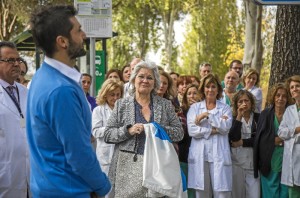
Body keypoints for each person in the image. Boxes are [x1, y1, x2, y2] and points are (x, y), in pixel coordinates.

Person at [27, 5, 111, 197]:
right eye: (78, 30)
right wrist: (104, 187)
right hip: (68, 190)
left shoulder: (43, 77)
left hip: (51, 187)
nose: (84, 34)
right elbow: (79, 153)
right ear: (62, 41)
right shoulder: (60, 90)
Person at [104, 60, 184, 197]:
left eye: (149, 78)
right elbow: (108, 135)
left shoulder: (165, 105)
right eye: (141, 76)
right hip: (128, 169)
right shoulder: (121, 105)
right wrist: (127, 131)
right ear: (134, 79)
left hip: (158, 167)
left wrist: (157, 129)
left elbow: (179, 133)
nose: (145, 81)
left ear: (155, 83)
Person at [187, 73, 232, 198]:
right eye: (207, 87)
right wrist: (213, 130)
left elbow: (226, 127)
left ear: (218, 89)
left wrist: (207, 115)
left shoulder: (225, 108)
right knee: (201, 194)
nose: (210, 90)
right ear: (203, 89)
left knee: (222, 194)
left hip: (219, 156)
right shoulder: (195, 108)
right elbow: (192, 130)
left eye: (213, 87)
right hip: (200, 156)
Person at [0, 41, 29, 197]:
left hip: (28, 174)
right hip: (4, 175)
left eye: (18, 60)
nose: (16, 64)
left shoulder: (25, 92)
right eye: (10, 60)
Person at [254, 83, 292, 198]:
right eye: (278, 95)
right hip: (269, 160)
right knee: (270, 192)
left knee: (286, 192)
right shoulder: (266, 114)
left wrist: (279, 139)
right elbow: (260, 138)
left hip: (288, 160)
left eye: (284, 96)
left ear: (288, 98)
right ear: (273, 97)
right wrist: (278, 140)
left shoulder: (292, 114)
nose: (280, 98)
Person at [92, 79, 123, 195]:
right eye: (112, 95)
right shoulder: (98, 110)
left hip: (121, 155)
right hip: (106, 157)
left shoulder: (123, 110)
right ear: (105, 94)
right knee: (108, 192)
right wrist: (112, 129)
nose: (115, 98)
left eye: (118, 95)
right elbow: (95, 131)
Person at [229, 90, 260, 198]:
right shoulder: (232, 118)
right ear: (236, 104)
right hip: (236, 164)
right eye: (240, 101)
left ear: (251, 102)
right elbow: (233, 138)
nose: (244, 103)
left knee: (254, 195)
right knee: (237, 195)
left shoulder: (258, 118)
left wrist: (242, 142)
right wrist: (239, 117)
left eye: (246, 100)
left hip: (253, 164)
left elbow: (259, 139)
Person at [278, 75, 300, 197]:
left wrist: (290, 135)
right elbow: (281, 132)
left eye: (297, 86)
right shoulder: (289, 110)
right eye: (292, 87)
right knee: (293, 192)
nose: (294, 89)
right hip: (291, 157)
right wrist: (295, 130)